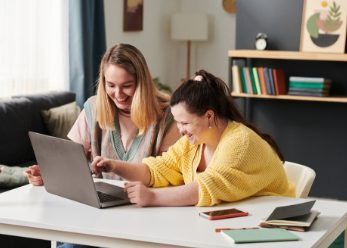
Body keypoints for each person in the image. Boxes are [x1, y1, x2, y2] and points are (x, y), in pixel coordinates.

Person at [91, 70, 296, 207]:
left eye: (185, 123)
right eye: (178, 123)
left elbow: (205, 188)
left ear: (209, 115)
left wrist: (152, 197)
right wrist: (114, 166)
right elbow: (156, 170)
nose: (180, 130)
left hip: (268, 223)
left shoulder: (239, 142)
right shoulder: (193, 144)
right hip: (229, 223)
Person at [23, 43, 180, 184]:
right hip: (102, 203)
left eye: (127, 85)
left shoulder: (167, 115)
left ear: (141, 84)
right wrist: (48, 173)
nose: (118, 94)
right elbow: (71, 162)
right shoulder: (93, 108)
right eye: (111, 85)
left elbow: (167, 174)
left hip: (146, 202)